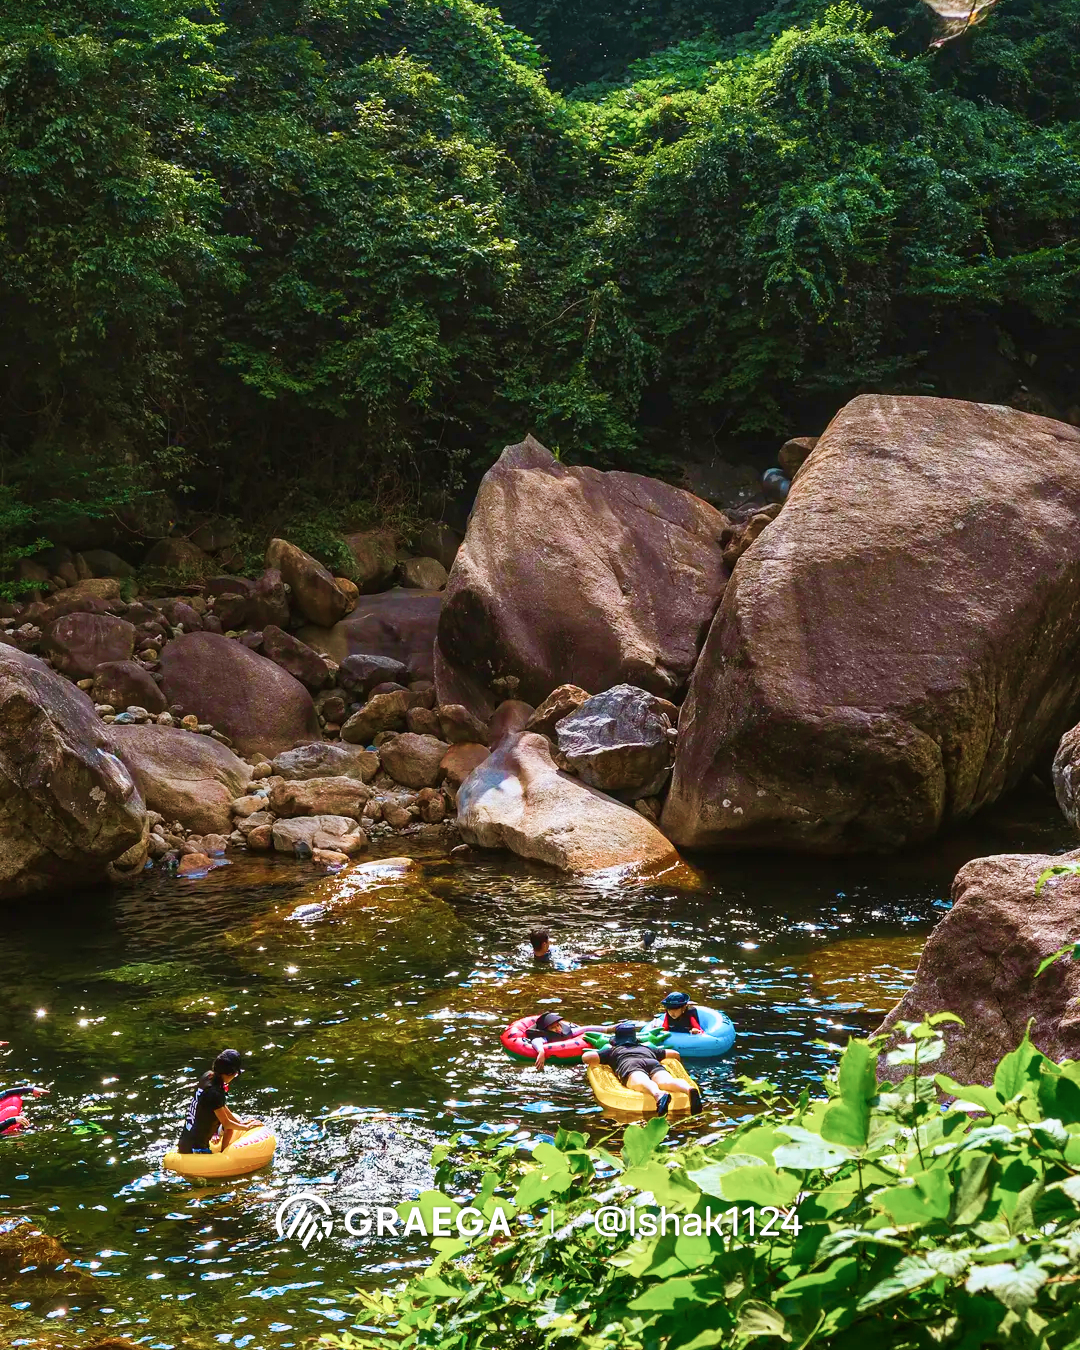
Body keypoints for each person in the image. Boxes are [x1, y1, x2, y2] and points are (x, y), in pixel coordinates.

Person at [582, 1021, 702, 1116]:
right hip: (652, 1061)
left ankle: (659, 1095)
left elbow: (587, 1057)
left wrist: (602, 1055)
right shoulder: (648, 1049)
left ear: (616, 1041)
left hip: (630, 1064)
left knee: (641, 1082)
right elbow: (675, 1054)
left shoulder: (612, 1051)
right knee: (666, 1081)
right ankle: (688, 1089)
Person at [177, 1049, 260, 1155]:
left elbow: (221, 1107)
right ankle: (224, 1155)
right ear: (230, 1073)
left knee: (234, 1121)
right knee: (229, 1126)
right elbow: (227, 1124)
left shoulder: (208, 1076)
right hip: (194, 1150)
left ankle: (223, 1151)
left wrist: (240, 1123)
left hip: (185, 1142)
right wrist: (246, 1128)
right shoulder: (215, 1093)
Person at [527, 1010, 614, 1070]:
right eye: (553, 1028)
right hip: (558, 1062)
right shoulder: (545, 1037)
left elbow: (585, 1029)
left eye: (558, 1025)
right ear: (545, 1030)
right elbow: (536, 1041)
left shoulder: (566, 1031)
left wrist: (608, 1029)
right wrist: (541, 1051)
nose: (557, 1029)